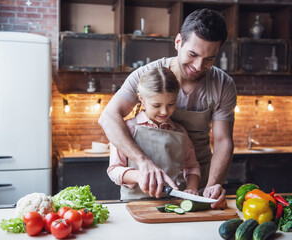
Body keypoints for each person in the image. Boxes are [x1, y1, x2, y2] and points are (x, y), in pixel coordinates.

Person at [99, 8, 236, 208]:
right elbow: (108, 117)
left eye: (209, 58)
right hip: (144, 188)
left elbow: (223, 142)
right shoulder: (146, 76)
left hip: (196, 182)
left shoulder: (223, 84)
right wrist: (143, 163)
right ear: (178, 42)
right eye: (193, 54)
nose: (198, 66)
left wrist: (212, 184)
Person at [107, 67, 201, 200]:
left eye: (171, 104)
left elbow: (191, 167)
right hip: (133, 205)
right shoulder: (127, 129)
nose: (164, 111)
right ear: (142, 99)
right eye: (157, 105)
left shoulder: (180, 132)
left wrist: (192, 187)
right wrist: (139, 176)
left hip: (171, 204)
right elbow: (114, 170)